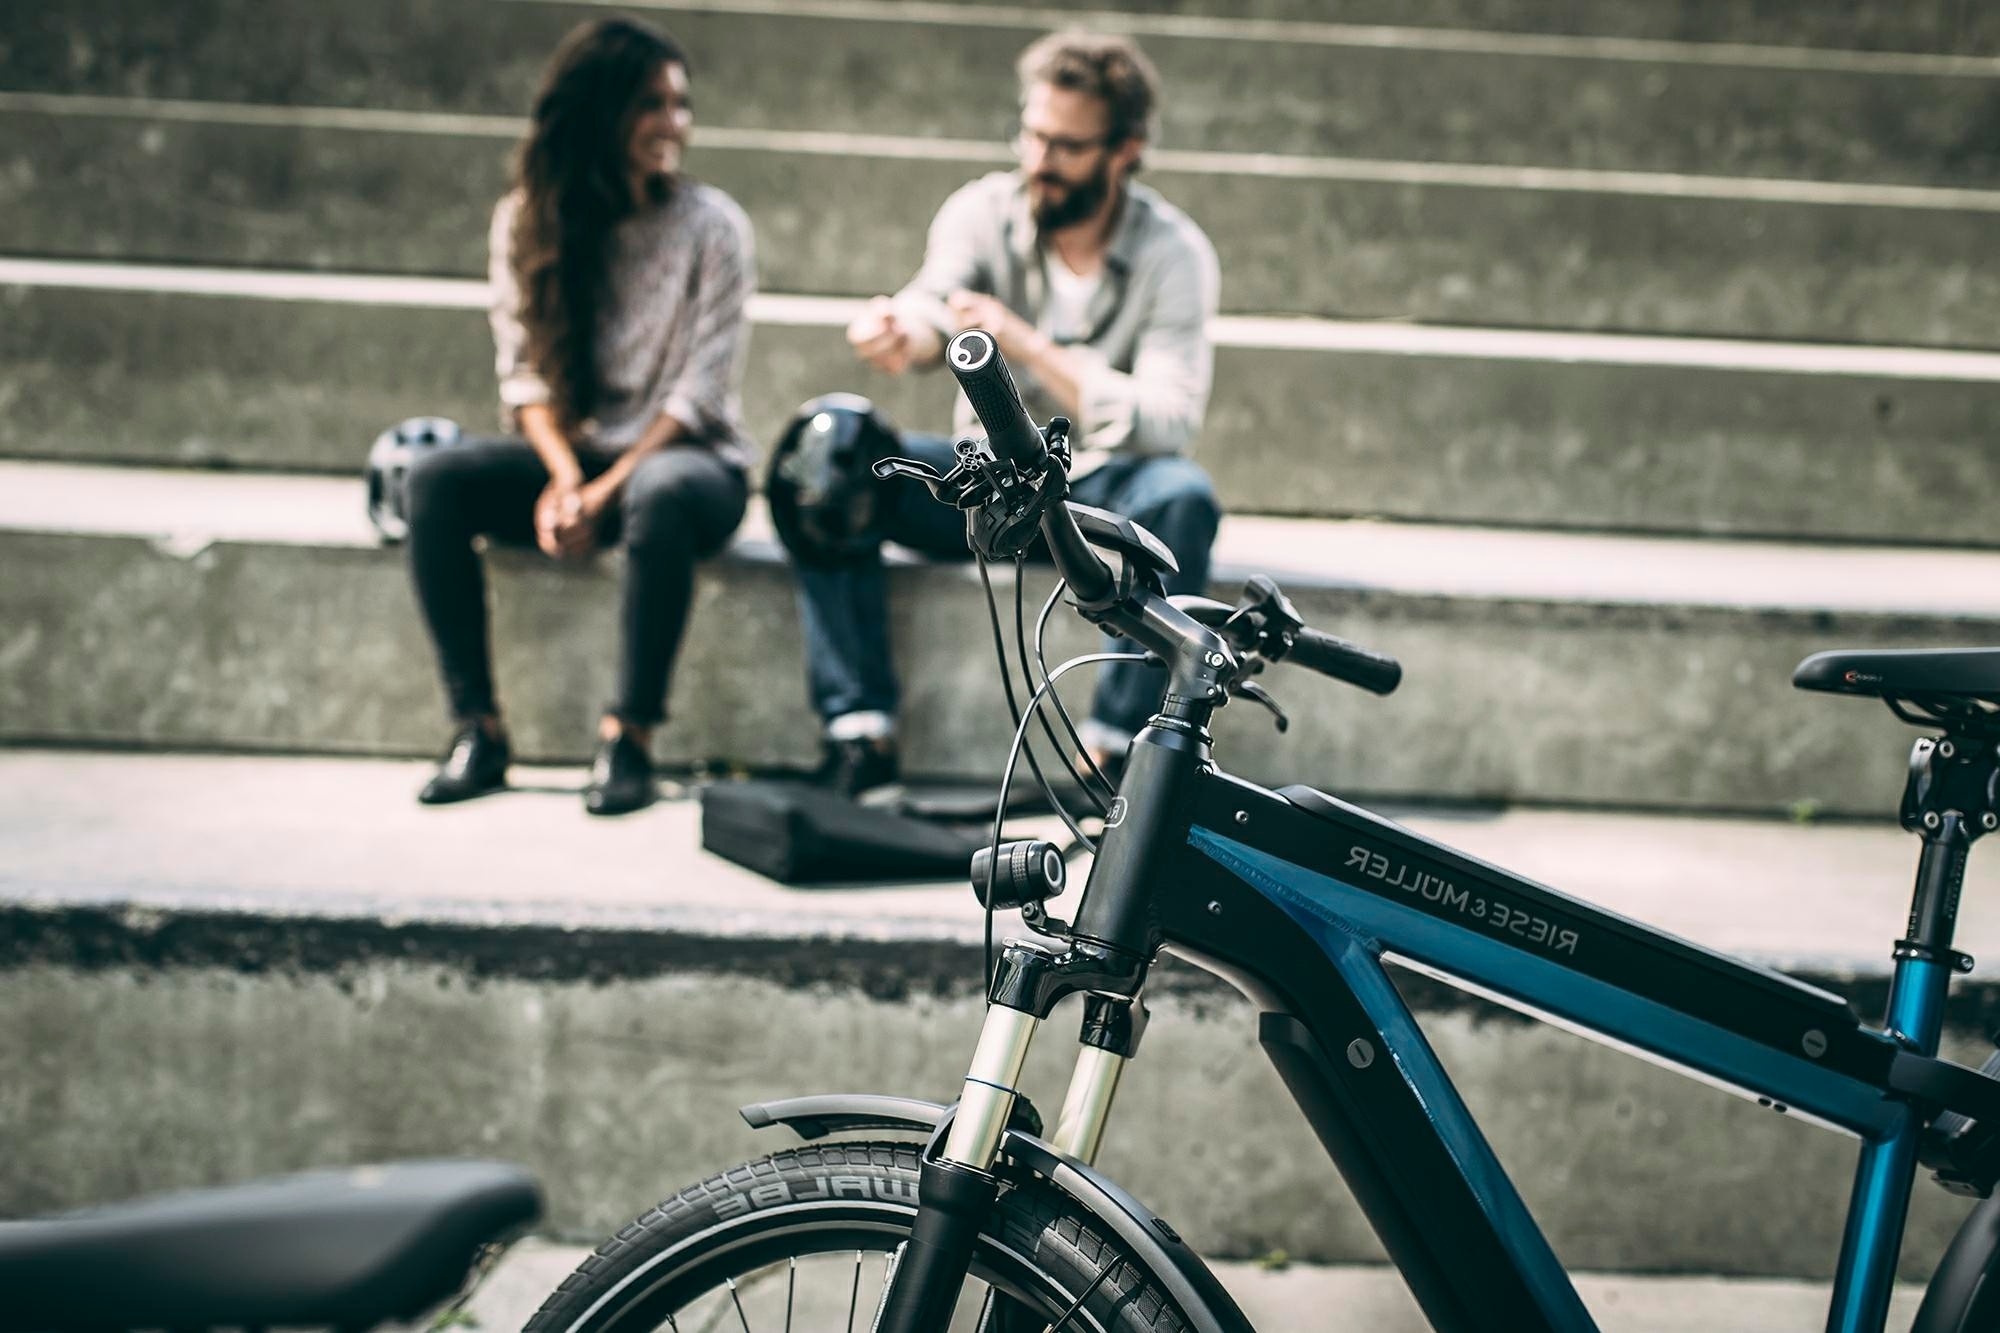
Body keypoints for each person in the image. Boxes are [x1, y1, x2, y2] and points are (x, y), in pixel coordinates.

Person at [794, 29, 1222, 796]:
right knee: (827, 451)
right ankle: (860, 734)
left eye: (1066, 146)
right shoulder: (981, 210)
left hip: (1096, 497)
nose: (1039, 160)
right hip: (983, 486)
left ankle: (1116, 753)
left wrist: (1025, 344)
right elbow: (936, 301)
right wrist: (902, 331)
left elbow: (1167, 420)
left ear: (1124, 151)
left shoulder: (1174, 254)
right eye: (1031, 134)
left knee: (1182, 496)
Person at [402, 17, 755, 815]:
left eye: (681, 105)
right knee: (433, 480)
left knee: (659, 493)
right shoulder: (528, 220)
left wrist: (603, 492)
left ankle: (629, 737)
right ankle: (478, 730)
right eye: (652, 105)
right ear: (601, 111)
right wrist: (566, 480)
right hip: (581, 454)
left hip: (694, 465)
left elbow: (698, 394)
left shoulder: (714, 226)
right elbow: (524, 376)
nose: (675, 124)